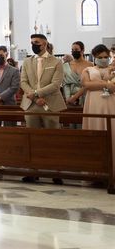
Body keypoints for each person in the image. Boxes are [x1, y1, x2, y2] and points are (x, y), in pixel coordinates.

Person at [20, 33, 64, 184]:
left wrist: (38, 93)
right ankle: (33, 171)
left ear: (44, 44)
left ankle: (55, 171)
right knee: (32, 138)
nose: (34, 45)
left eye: (36, 42)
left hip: (50, 104)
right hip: (31, 105)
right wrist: (33, 96)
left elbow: (56, 84)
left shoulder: (56, 62)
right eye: (32, 42)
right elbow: (23, 81)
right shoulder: (27, 61)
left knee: (52, 139)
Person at [80, 44, 115, 130]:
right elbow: (86, 84)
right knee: (95, 124)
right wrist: (105, 84)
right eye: (100, 57)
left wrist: (96, 84)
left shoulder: (113, 69)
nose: (103, 59)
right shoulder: (88, 70)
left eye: (106, 57)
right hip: (94, 103)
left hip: (112, 102)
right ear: (95, 57)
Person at [64, 41, 93, 106]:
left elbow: (91, 83)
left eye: (76, 49)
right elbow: (65, 84)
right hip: (71, 98)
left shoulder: (90, 65)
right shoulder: (66, 65)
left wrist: (76, 96)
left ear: (82, 51)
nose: (74, 51)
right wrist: (68, 98)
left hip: (86, 96)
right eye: (72, 50)